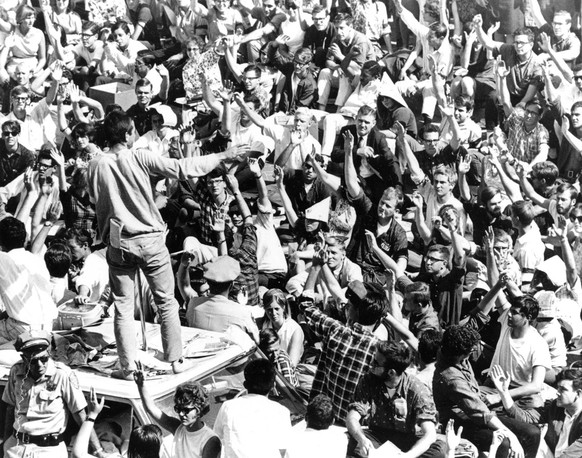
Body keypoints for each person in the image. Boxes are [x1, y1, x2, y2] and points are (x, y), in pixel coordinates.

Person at [87, 110, 246, 379]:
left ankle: (127, 366)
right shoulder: (139, 156)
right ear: (127, 135)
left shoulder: (96, 164)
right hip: (148, 239)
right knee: (166, 303)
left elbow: (94, 198)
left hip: (118, 242)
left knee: (123, 307)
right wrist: (221, 156)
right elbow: (181, 168)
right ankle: (175, 359)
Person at [433, 325, 540, 458]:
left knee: (532, 433)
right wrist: (511, 435)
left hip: (477, 412)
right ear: (460, 353)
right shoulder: (450, 378)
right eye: (471, 351)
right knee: (504, 442)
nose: (473, 352)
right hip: (460, 421)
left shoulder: (455, 354)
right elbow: (478, 412)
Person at [3, 330, 104, 458]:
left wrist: (98, 451)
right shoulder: (16, 371)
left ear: (49, 354)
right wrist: (6, 443)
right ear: (24, 359)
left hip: (49, 449)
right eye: (33, 361)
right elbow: (10, 408)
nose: (39, 365)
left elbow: (80, 415)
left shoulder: (62, 374)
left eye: (43, 359)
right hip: (16, 448)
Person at [300, 280, 384, 421]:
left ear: (353, 311)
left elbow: (305, 304)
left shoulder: (335, 329)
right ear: (380, 319)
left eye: (348, 307)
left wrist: (315, 266)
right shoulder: (380, 350)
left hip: (323, 419)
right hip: (356, 427)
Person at [346, 341, 446, 458]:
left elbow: (430, 434)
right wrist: (362, 439)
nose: (371, 364)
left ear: (391, 372)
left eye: (376, 363)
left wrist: (408, 456)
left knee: (439, 450)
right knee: (349, 440)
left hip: (407, 439)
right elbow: (352, 417)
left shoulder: (416, 389)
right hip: (377, 436)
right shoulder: (368, 380)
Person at [133, 361, 221, 458]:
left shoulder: (210, 440)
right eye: (178, 409)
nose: (181, 414)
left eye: (186, 410)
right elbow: (151, 409)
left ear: (199, 410)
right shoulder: (178, 428)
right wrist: (141, 385)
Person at [491, 366, 582, 457]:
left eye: (563, 389)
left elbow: (573, 453)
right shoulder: (556, 407)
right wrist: (504, 393)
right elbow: (526, 417)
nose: (557, 392)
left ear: (578, 393)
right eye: (558, 388)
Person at [214, 359, 292, 458]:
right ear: (273, 385)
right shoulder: (281, 412)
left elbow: (216, 440)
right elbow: (282, 451)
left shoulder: (228, 407)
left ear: (245, 384)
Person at [180, 255, 259, 343]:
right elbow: (256, 341)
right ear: (232, 285)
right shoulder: (242, 313)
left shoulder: (193, 305)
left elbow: (185, 287)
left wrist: (184, 265)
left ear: (208, 283)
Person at [262, 288, 304, 366]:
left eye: (277, 309)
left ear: (283, 307)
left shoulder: (295, 330)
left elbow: (292, 364)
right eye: (269, 310)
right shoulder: (264, 325)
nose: (273, 313)